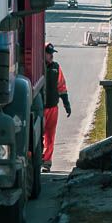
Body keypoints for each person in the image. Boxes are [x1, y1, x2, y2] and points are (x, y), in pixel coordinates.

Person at [42, 43, 71, 172]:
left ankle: (47, 163)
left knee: (50, 136)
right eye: (49, 53)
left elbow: (61, 86)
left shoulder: (56, 67)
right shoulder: (38, 68)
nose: (52, 55)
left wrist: (66, 103)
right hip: (39, 108)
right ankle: (35, 159)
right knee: (37, 137)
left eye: (52, 53)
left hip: (53, 108)